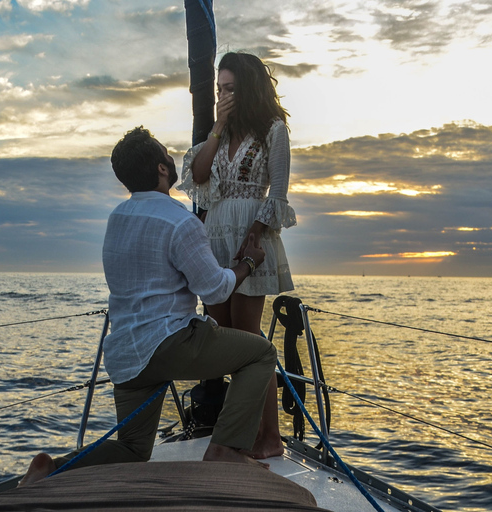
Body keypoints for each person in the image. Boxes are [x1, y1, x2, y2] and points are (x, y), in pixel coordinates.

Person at [19, 126, 277, 486]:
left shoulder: (117, 218)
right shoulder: (180, 220)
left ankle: (54, 468)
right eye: (165, 153)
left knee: (133, 449)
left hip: (126, 355)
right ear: (161, 168)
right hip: (170, 345)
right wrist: (249, 262)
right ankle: (226, 448)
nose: (171, 157)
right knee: (261, 354)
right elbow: (216, 290)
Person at [177, 52, 296, 459]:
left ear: (248, 88)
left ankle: (270, 435)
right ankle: (245, 431)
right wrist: (217, 126)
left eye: (230, 88)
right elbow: (198, 176)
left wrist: (255, 234)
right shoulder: (221, 132)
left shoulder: (273, 130)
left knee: (248, 337)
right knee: (223, 337)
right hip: (215, 235)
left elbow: (278, 191)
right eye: (219, 89)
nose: (223, 96)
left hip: (251, 235)